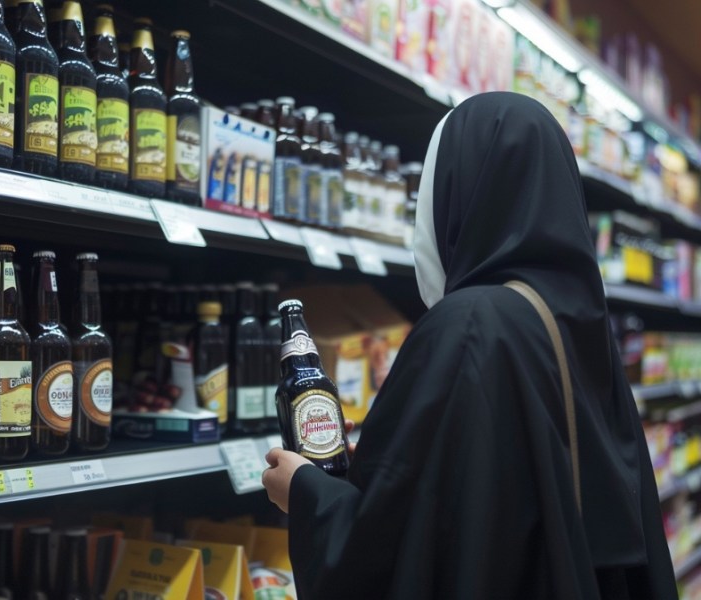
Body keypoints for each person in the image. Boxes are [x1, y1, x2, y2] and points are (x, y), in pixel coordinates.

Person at [262, 91, 678, 599]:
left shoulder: (470, 324)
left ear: (460, 194)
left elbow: (389, 553)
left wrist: (306, 492)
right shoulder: (579, 320)